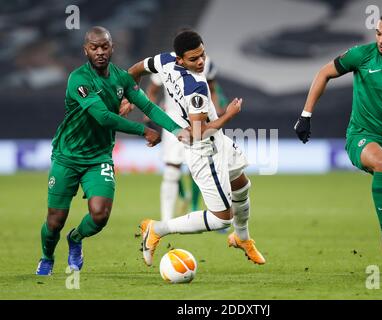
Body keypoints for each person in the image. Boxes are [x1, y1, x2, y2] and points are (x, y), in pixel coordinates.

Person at [35, 26, 187, 275]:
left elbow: (148, 106)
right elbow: (103, 117)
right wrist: (143, 131)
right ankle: (47, 257)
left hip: (99, 157)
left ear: (112, 48)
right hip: (67, 157)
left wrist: (177, 130)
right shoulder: (78, 79)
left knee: (99, 215)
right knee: (55, 220)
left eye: (104, 46)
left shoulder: (121, 79)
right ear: (86, 50)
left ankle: (75, 238)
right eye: (94, 47)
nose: (100, 52)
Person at [294, 11, 382, 275]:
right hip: (361, 136)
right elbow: (324, 73)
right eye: (379, 33)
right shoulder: (362, 55)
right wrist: (305, 115)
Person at [128, 30, 265, 266]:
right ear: (180, 60)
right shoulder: (195, 89)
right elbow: (199, 132)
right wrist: (229, 115)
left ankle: (242, 238)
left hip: (219, 142)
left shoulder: (164, 60)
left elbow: (134, 70)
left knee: (241, 187)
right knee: (222, 219)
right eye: (194, 59)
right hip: (205, 151)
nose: (201, 62)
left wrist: (129, 95)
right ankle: (157, 228)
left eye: (202, 55)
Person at [145, 57, 224, 221]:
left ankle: (195, 206)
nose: (199, 57)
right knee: (171, 170)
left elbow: (212, 88)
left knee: (197, 168)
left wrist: (217, 110)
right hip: (172, 123)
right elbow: (153, 89)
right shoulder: (165, 62)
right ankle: (166, 220)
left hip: (199, 123)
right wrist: (148, 110)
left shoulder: (206, 62)